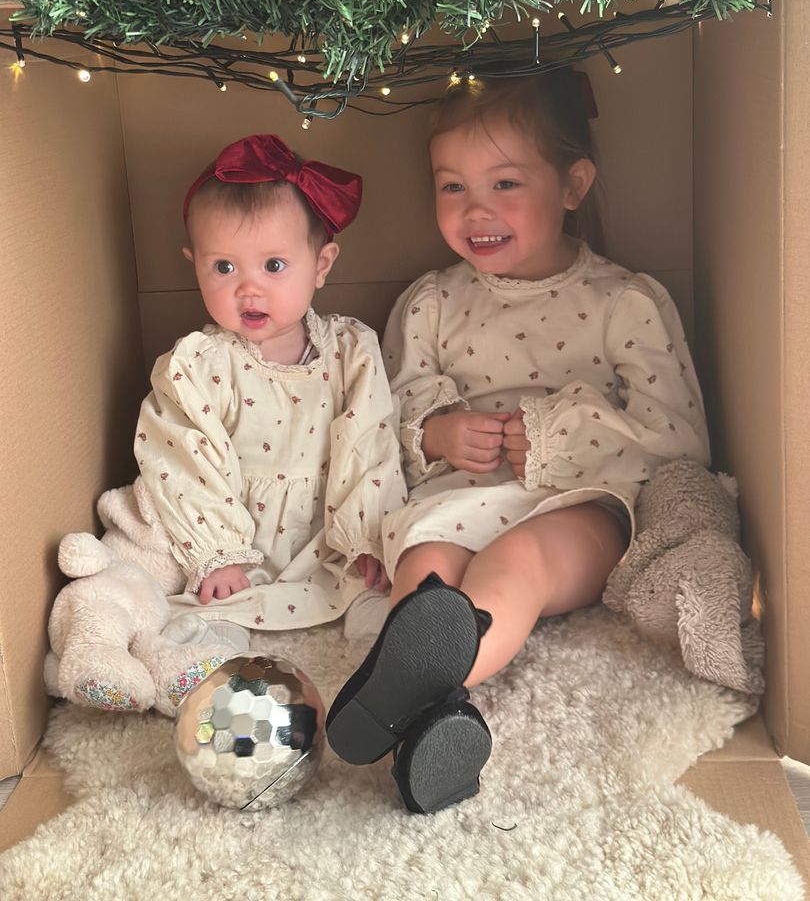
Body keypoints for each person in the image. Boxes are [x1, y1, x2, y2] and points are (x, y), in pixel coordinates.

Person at [326, 69, 710, 815]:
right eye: (452, 187)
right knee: (427, 570)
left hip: (577, 505)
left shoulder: (623, 301)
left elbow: (677, 438)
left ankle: (407, 698)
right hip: (457, 498)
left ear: (573, 185)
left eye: (505, 183)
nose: (476, 210)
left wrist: (559, 438)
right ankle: (431, 729)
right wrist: (438, 433)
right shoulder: (433, 302)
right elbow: (380, 420)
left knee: (519, 562)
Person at [134, 133, 406, 680]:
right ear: (193, 265)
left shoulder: (351, 351)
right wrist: (218, 550)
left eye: (274, 265)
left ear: (321, 264)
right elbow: (182, 455)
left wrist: (365, 535)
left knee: (382, 599)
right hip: (240, 539)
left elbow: (370, 443)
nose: (249, 289)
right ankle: (204, 674)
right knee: (207, 614)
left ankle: (392, 677)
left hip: (331, 537)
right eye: (224, 268)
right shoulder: (199, 364)